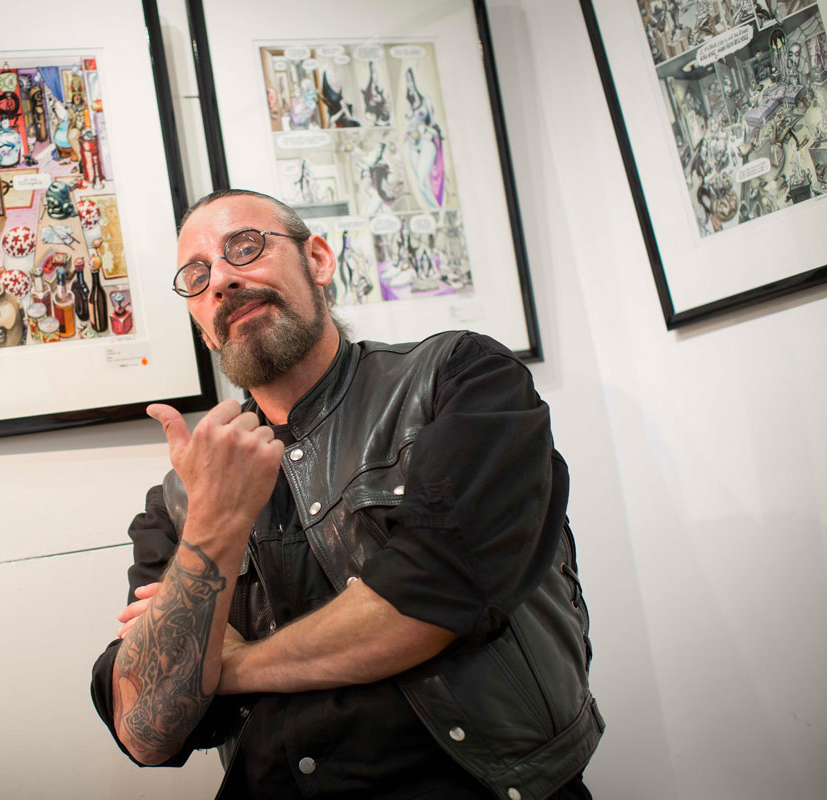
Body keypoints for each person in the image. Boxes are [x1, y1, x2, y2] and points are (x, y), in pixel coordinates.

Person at [90, 189, 602, 799]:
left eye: (244, 247)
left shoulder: (457, 379)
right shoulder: (179, 501)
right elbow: (145, 730)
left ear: (318, 260)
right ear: (203, 328)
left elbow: (433, 598)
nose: (221, 280)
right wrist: (212, 524)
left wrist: (225, 665)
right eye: (197, 277)